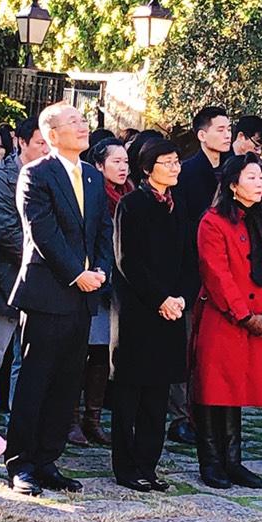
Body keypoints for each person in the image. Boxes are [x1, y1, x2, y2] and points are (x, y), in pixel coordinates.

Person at [5, 102, 113, 496]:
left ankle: (48, 459)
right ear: (52, 134)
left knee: (67, 384)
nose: (83, 127)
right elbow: (42, 232)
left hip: (84, 296)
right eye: (73, 122)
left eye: (83, 121)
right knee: (36, 380)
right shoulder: (37, 173)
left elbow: (102, 229)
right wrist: (76, 274)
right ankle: (21, 463)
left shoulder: (92, 176)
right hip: (48, 292)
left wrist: (100, 270)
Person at [192, 153, 262, 490]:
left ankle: (233, 461)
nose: (259, 183)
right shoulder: (213, 222)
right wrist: (244, 315)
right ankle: (210, 461)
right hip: (225, 318)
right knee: (214, 388)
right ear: (233, 185)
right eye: (251, 177)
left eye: (260, 177)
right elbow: (216, 273)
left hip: (261, 317)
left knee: (238, 389)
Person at [110, 138, 191, 492]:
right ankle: (126, 467)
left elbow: (189, 258)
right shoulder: (131, 205)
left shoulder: (179, 205)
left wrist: (181, 297)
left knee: (158, 395)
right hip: (138, 311)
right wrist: (160, 298)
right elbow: (127, 261)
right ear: (147, 168)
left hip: (172, 311)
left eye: (176, 161)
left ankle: (148, 464)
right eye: (167, 162)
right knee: (130, 394)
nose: (174, 168)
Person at [167, 105, 232, 445]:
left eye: (229, 128)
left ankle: (213, 414)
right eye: (220, 129)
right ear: (202, 134)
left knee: (215, 348)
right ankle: (181, 416)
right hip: (191, 270)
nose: (227, 134)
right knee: (184, 346)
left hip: (227, 273)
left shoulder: (234, 170)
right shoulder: (188, 172)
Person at [69, 137, 132, 446]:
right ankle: (70, 418)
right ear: (98, 165)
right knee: (81, 351)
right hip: (92, 279)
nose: (123, 168)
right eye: (115, 162)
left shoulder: (130, 195)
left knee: (101, 353)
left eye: (126, 162)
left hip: (119, 285)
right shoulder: (91, 194)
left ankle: (92, 418)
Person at [0, 117, 49, 405]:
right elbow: (5, 232)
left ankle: (20, 418)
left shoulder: (50, 175)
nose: (46, 149)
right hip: (5, 278)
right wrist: (50, 258)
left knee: (29, 358)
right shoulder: (2, 179)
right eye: (40, 143)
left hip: (41, 280)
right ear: (21, 142)